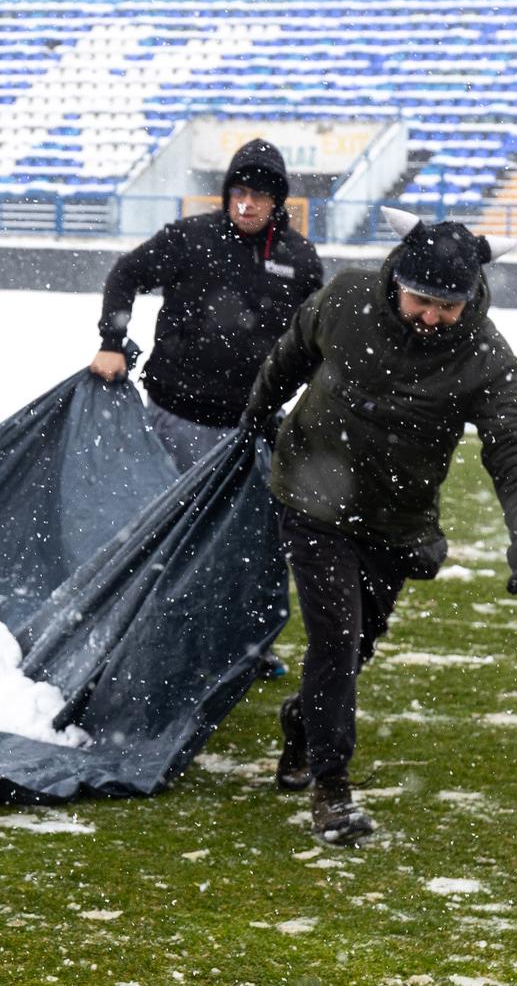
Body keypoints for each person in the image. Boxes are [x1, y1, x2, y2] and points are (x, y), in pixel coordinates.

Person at [240, 208, 517, 845]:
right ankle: (332, 791)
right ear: (397, 280)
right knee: (335, 638)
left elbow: (514, 447)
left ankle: (303, 722)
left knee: (355, 646)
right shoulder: (347, 298)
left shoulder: (486, 356)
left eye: (447, 306)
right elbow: (293, 351)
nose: (431, 316)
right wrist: (258, 412)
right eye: (421, 300)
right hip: (314, 496)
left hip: (395, 520)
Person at [91, 138, 325, 678]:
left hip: (250, 430)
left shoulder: (299, 260)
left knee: (249, 546)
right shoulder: (189, 238)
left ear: (277, 201)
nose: (246, 204)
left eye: (258, 195)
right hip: (174, 419)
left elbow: (316, 337)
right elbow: (125, 273)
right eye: (238, 192)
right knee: (169, 540)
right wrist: (111, 341)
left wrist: (309, 395)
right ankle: (144, 640)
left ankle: (246, 648)